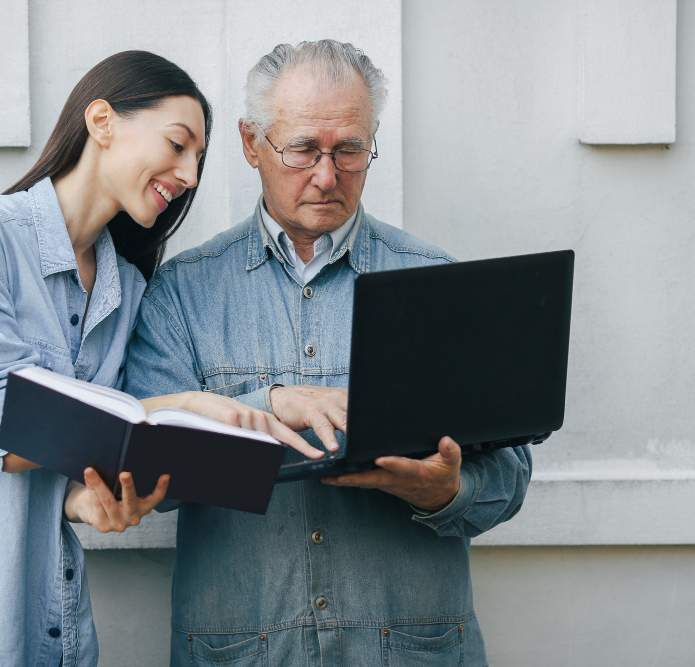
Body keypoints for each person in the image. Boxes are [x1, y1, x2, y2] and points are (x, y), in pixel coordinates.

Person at [0, 50, 316, 667]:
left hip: (37, 615)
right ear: (101, 121)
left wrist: (89, 498)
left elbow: (89, 453)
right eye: (178, 144)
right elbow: (13, 422)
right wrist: (180, 402)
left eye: (198, 160)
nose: (188, 173)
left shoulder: (125, 289)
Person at [124, 41, 532, 666]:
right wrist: (266, 409)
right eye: (302, 149)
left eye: (349, 150)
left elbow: (509, 476)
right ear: (250, 142)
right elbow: (147, 469)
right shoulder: (183, 293)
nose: (326, 174)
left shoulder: (438, 282)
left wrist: (444, 491)